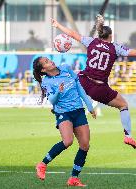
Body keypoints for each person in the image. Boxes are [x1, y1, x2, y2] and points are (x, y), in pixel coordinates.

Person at [51, 15, 136, 149]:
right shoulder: (115, 48)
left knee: (72, 80)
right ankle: (128, 136)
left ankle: (58, 107)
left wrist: (58, 25)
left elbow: (73, 34)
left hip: (84, 80)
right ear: (111, 36)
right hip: (99, 88)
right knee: (123, 105)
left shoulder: (91, 42)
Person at [33, 56, 96, 187]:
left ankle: (74, 178)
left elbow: (79, 87)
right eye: (46, 62)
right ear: (43, 70)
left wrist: (89, 106)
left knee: (85, 145)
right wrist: (59, 91)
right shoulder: (47, 82)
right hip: (63, 112)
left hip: (78, 110)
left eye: (49, 59)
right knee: (68, 141)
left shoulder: (66, 68)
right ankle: (42, 164)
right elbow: (52, 101)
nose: (50, 61)